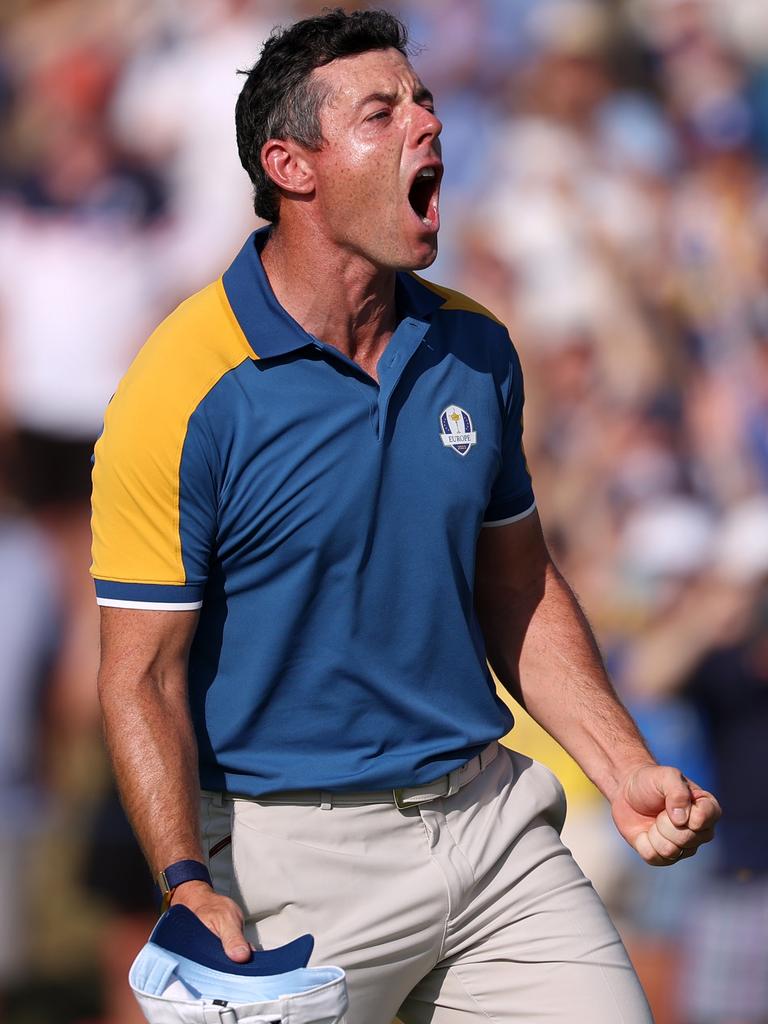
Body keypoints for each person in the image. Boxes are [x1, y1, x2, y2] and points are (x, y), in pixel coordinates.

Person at [91, 9, 721, 1023]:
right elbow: (141, 671)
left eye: (423, 101)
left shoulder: (475, 346)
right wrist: (184, 878)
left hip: (491, 832)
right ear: (292, 166)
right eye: (380, 113)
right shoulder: (180, 390)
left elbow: (517, 582)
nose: (425, 123)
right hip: (287, 864)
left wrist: (623, 766)